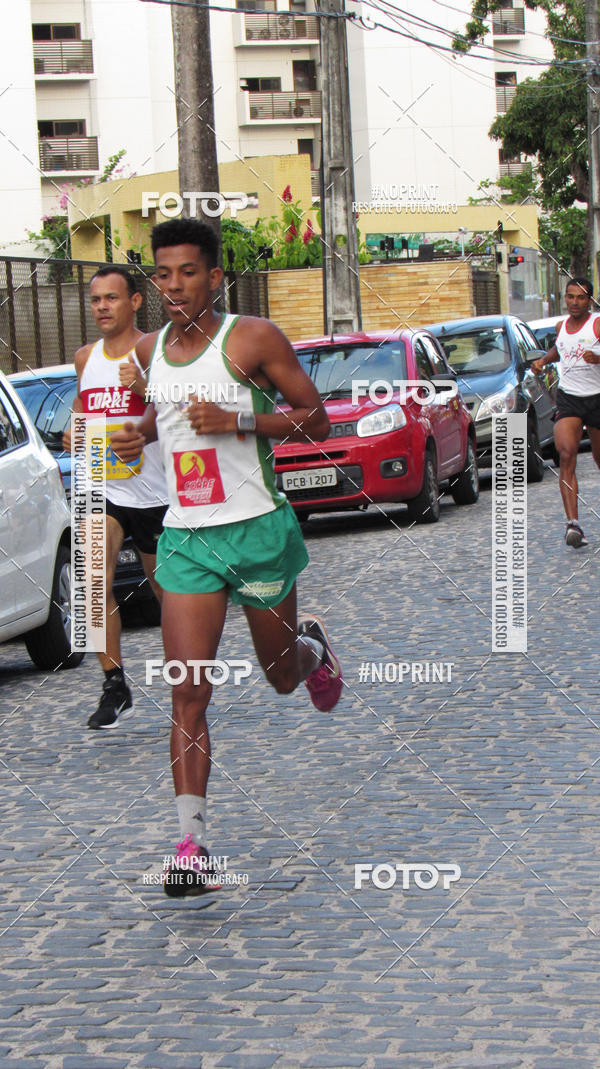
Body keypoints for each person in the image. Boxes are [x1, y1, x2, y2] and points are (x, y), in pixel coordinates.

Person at [111, 218, 343, 897]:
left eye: (187, 271)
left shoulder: (252, 338)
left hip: (257, 530)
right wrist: (136, 437)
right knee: (188, 690)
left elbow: (318, 419)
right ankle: (191, 846)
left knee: (278, 676)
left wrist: (239, 419)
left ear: (214, 276)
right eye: (163, 273)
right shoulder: (149, 351)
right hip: (188, 537)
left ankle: (310, 651)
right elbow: (163, 422)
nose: (174, 284)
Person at [63, 266, 168, 727]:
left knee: (172, 598)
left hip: (156, 491)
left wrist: (145, 386)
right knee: (90, 583)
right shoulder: (86, 358)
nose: (103, 307)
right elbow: (83, 408)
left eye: (111, 298)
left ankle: (187, 679)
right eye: (96, 300)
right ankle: (114, 684)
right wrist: (72, 429)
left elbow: (183, 410)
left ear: (135, 302)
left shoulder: (158, 351)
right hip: (100, 484)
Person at [531, 277, 600, 547]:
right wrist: (543, 360)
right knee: (567, 452)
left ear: (590, 300)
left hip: (597, 398)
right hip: (569, 398)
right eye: (570, 296)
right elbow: (560, 350)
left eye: (581, 297)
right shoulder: (561, 327)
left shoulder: (596, 324)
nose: (574, 302)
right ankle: (573, 525)